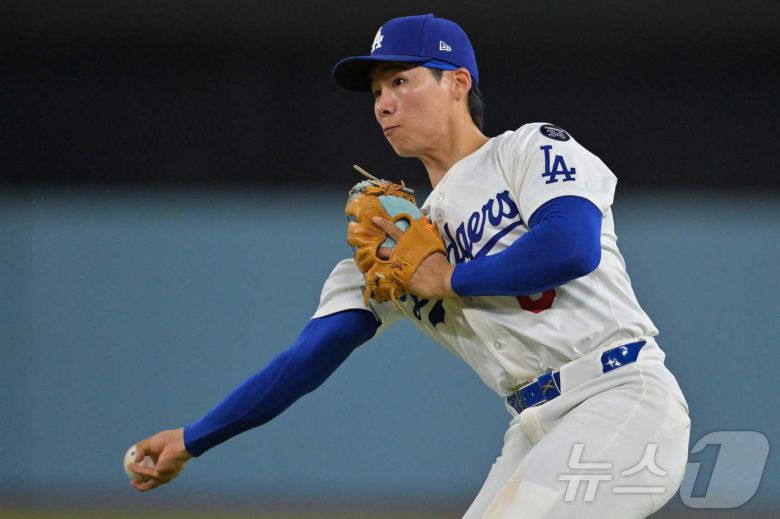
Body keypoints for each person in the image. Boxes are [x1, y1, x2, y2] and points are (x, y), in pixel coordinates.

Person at [129, 14, 691, 518]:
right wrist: (193, 438)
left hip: (621, 397)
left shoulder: (527, 150)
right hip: (534, 427)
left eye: (400, 80)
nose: (383, 103)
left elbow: (570, 247)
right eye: (377, 91)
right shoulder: (395, 245)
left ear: (458, 82)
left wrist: (448, 279)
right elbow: (307, 356)